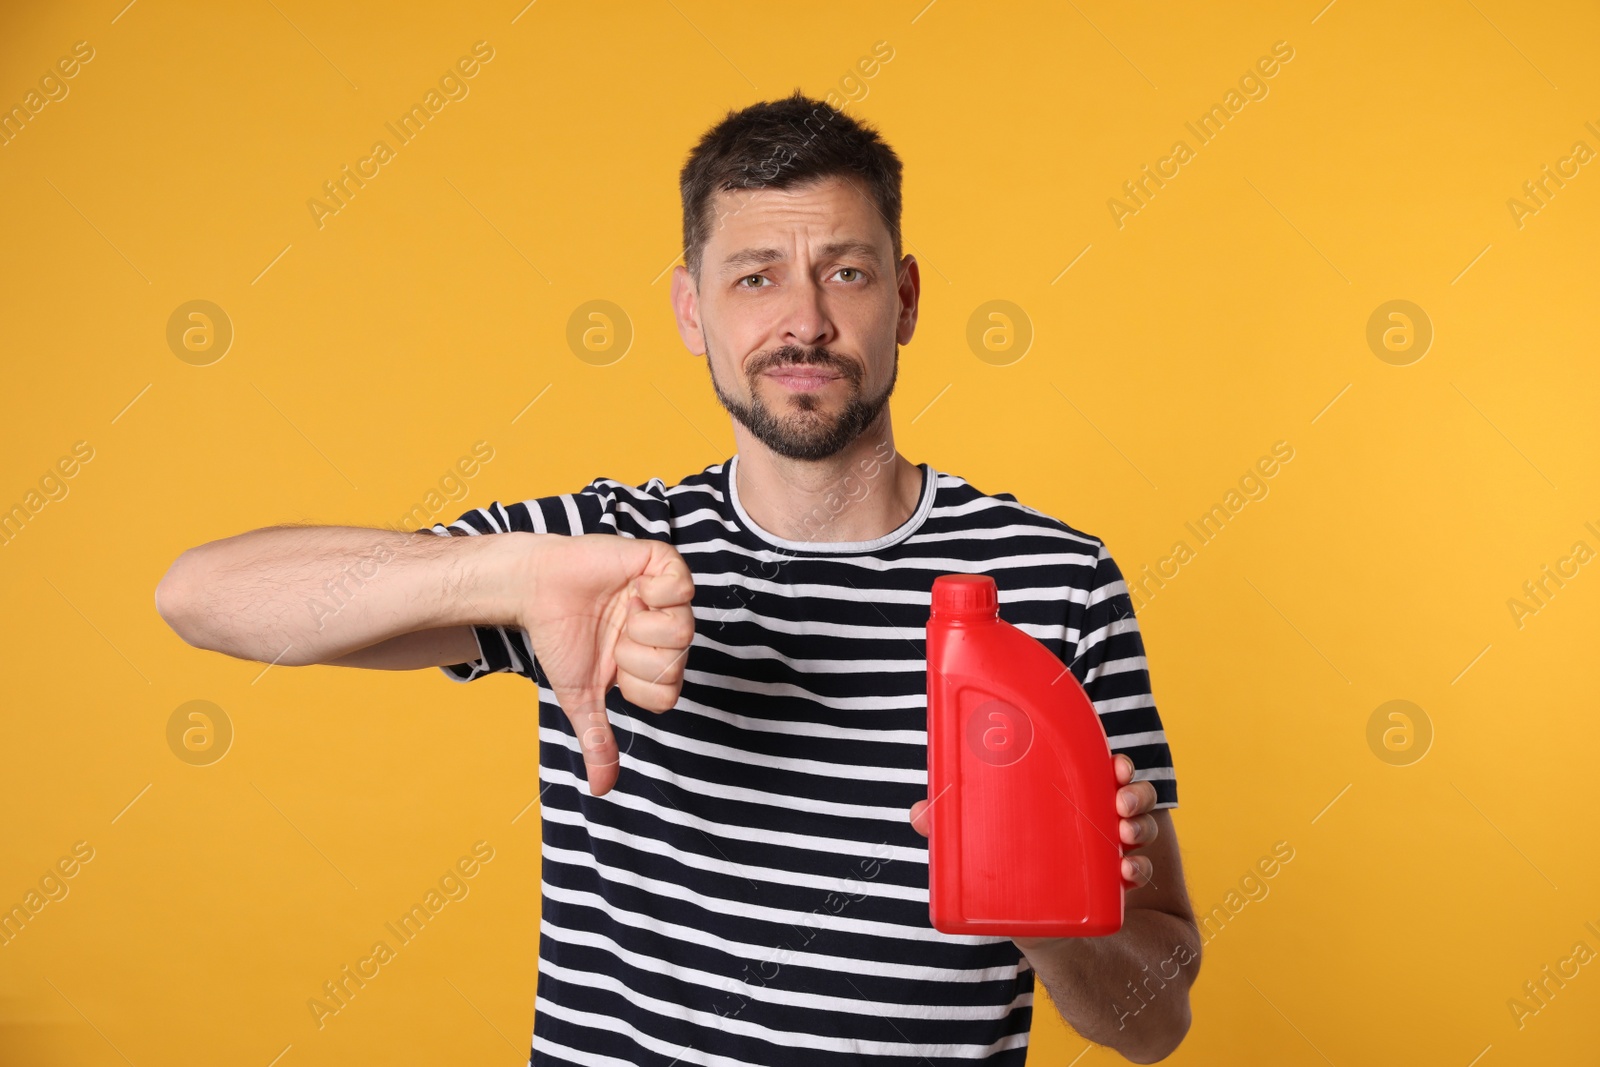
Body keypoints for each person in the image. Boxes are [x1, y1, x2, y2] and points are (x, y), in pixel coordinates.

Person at [156, 90, 1199, 1065]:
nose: (804, 322)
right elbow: (202, 595)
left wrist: (1044, 914)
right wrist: (513, 574)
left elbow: (1155, 1017)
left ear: (907, 296)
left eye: (845, 270)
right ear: (690, 310)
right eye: (755, 276)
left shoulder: (1052, 577)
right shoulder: (600, 554)